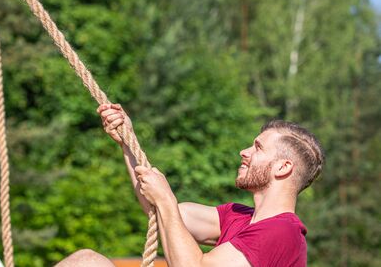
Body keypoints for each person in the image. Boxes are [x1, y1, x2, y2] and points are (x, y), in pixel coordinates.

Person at [56, 103, 325, 267]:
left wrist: (165, 201)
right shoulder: (236, 216)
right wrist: (128, 141)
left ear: (283, 167)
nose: (244, 152)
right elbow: (158, 209)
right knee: (86, 262)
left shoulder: (283, 233)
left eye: (257, 147)